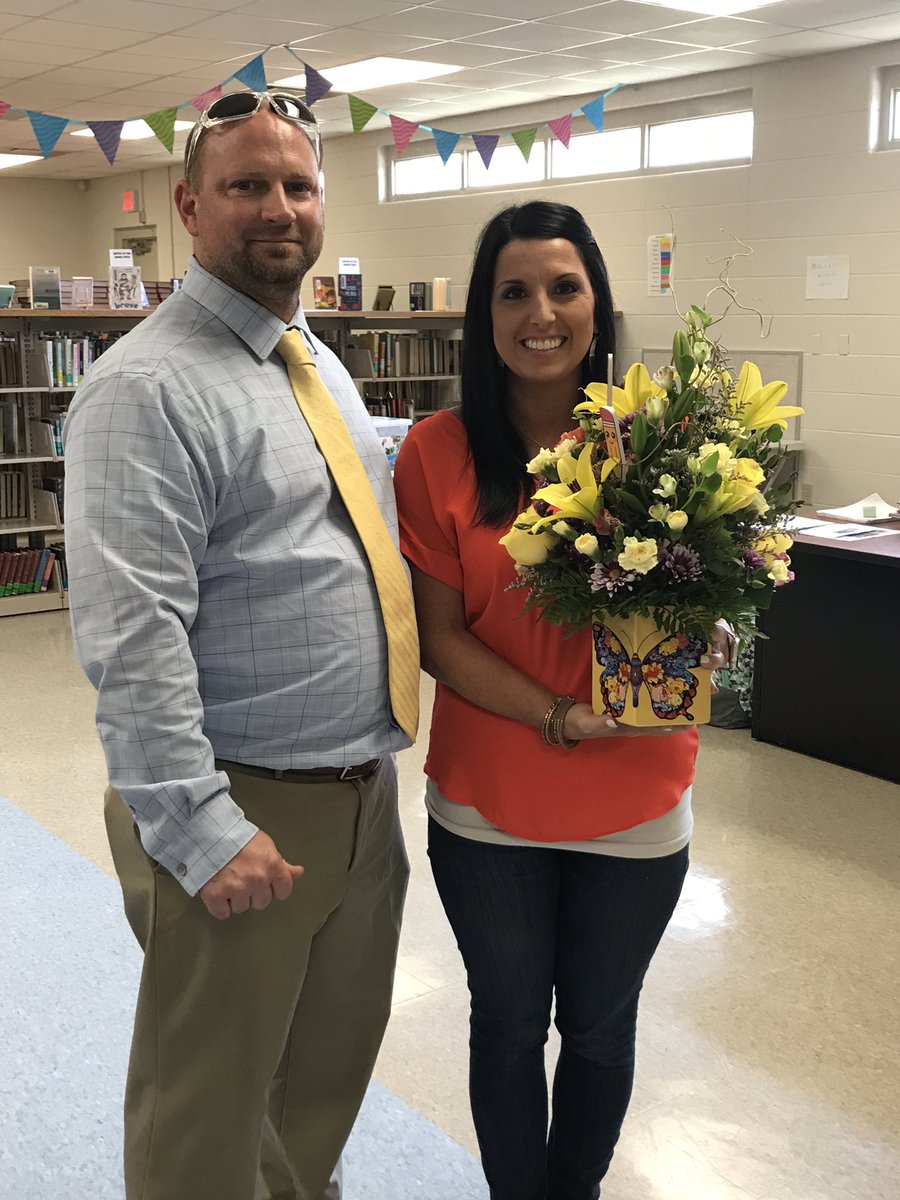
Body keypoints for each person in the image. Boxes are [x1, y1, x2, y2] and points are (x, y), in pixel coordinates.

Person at [63, 91, 416, 1200]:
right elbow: (132, 633)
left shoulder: (316, 360)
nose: (279, 208)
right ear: (189, 206)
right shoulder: (144, 387)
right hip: (243, 807)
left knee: (317, 1092)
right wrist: (201, 828)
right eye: (246, 186)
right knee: (207, 1118)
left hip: (361, 801)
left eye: (298, 185)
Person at [393, 200, 731, 1200]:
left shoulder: (660, 441)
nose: (540, 312)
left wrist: (706, 621)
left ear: (597, 305)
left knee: (597, 1025)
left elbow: (699, 584)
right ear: (483, 317)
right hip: (488, 804)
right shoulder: (436, 452)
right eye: (514, 292)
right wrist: (553, 714)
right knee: (505, 1021)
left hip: (636, 797)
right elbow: (443, 641)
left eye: (563, 287)